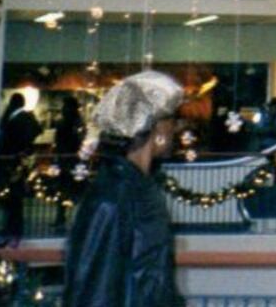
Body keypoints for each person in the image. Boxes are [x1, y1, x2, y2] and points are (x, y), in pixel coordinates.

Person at [64, 71, 183, 307]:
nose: (177, 128)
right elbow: (93, 292)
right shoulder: (112, 198)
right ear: (156, 127)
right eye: (173, 118)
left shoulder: (137, 189)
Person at [0, 92, 43, 243]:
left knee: (12, 196)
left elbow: (7, 141)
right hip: (18, 161)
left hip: (13, 162)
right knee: (13, 196)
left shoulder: (16, 119)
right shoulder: (26, 118)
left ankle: (13, 227)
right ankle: (13, 226)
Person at [53, 96, 86, 230]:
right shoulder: (77, 122)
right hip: (73, 159)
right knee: (72, 189)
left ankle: (62, 217)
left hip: (68, 159)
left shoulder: (69, 123)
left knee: (67, 189)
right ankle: (63, 217)